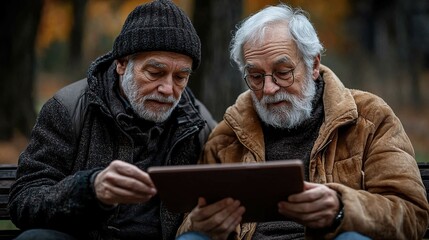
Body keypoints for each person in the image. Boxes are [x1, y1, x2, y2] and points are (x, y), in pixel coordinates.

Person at [176, 3, 429, 240]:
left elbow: (411, 214)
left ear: (314, 64)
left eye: (283, 73)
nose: (269, 88)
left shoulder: (369, 118)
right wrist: (200, 222)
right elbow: (189, 219)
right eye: (254, 76)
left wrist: (342, 208)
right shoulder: (228, 134)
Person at [8, 0, 216, 239]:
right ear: (122, 64)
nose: (168, 88)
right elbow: (24, 201)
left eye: (180, 77)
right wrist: (90, 189)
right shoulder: (68, 108)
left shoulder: (198, 124)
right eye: (155, 73)